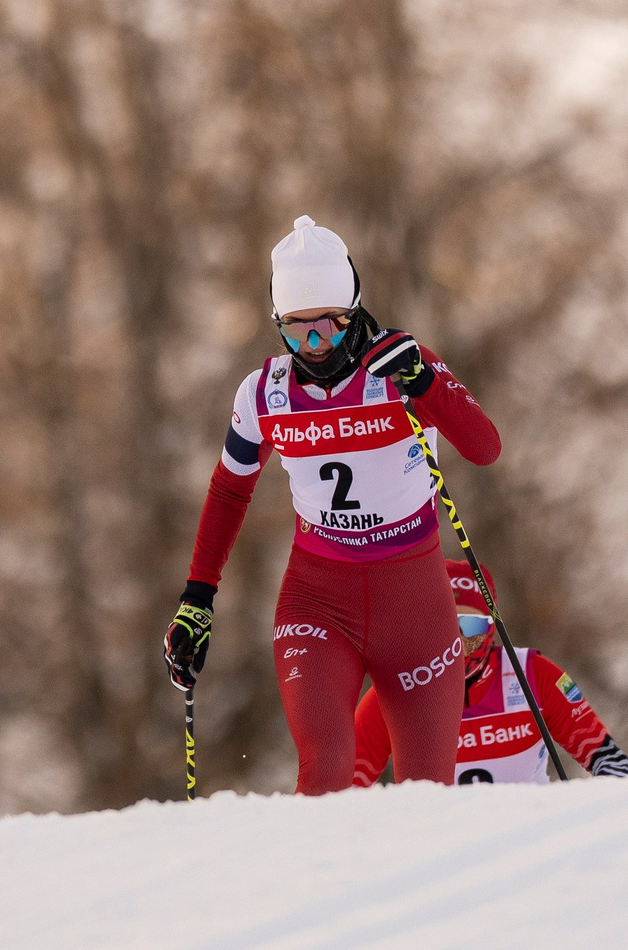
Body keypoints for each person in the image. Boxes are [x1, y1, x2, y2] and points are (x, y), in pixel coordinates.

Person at [164, 216, 502, 795]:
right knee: (326, 768)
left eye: (331, 324)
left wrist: (425, 383)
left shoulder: (400, 365)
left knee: (428, 797)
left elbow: (484, 447)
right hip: (319, 600)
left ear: (355, 307)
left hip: (414, 604)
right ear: (277, 324)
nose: (316, 344)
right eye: (298, 330)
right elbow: (228, 489)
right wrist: (198, 598)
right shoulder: (263, 394)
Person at [352, 561, 628, 785]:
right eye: (444, 624)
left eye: (471, 626)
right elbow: (338, 793)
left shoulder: (533, 675)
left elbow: (611, 762)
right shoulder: (396, 692)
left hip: (531, 841)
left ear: (492, 627)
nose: (458, 641)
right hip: (441, 849)